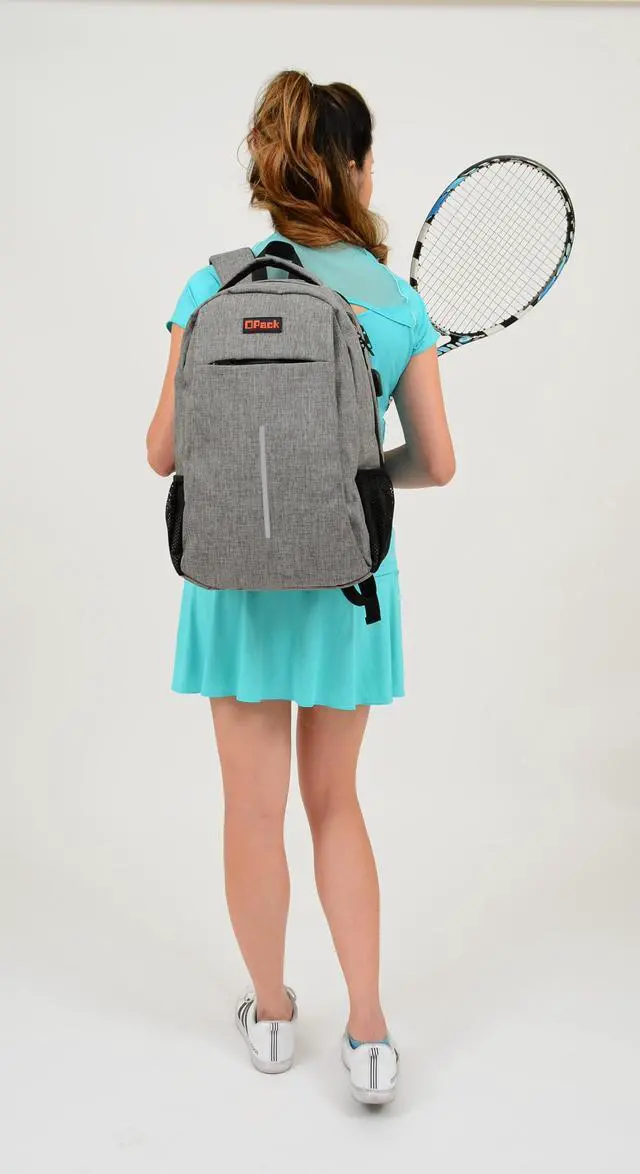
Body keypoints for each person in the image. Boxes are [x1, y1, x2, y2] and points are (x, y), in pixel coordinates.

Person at [146, 70, 455, 1105]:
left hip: (230, 582)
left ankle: (273, 1018)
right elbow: (438, 462)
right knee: (334, 802)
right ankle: (368, 1034)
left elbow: (162, 453)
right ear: (358, 168)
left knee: (251, 808)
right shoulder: (395, 303)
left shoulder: (211, 286)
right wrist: (356, 469)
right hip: (345, 586)